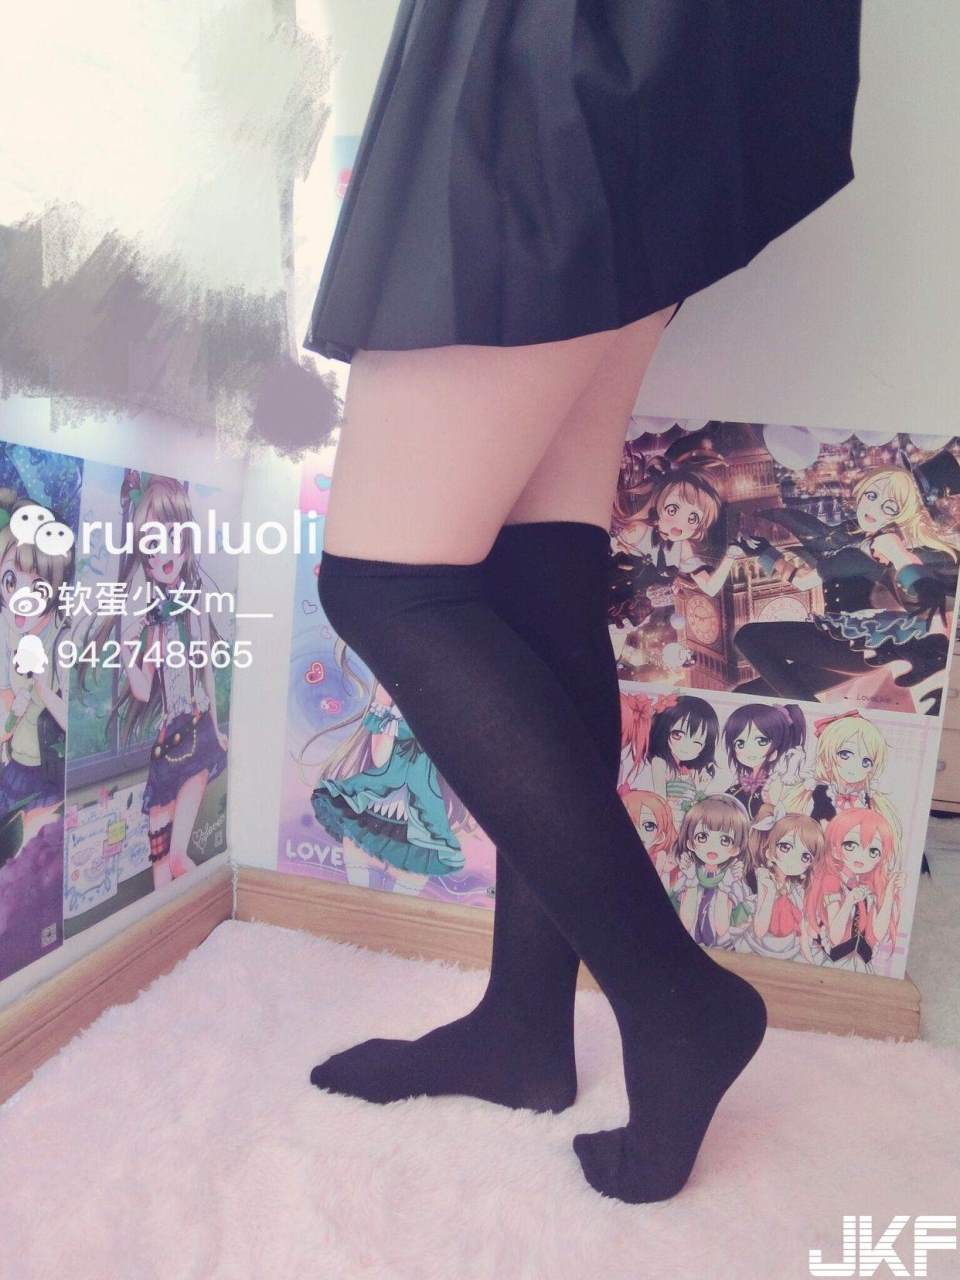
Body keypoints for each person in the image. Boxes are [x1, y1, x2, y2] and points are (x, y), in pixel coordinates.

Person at [301, 0, 862, 1204]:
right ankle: (522, 1027)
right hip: (633, 59)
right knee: (531, 567)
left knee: (386, 582)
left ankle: (676, 999)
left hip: (549, 56)